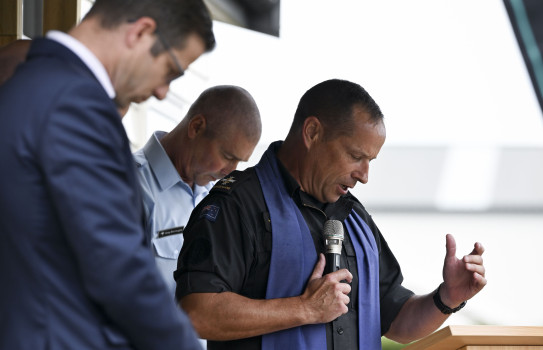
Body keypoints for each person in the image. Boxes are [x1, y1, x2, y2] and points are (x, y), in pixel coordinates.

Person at [175, 79, 487, 350]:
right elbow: (197, 312)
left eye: (370, 161)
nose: (364, 175)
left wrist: (447, 298)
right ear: (312, 132)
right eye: (356, 156)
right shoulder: (238, 205)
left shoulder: (354, 218)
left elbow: (395, 322)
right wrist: (304, 309)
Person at [0, 0, 215, 349]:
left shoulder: (34, 83)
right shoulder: (74, 106)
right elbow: (120, 271)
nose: (163, 92)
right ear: (141, 32)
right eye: (171, 71)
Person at [134, 84, 262, 295]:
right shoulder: (127, 185)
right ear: (196, 127)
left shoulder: (220, 198)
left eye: (239, 162)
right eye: (228, 157)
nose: (230, 171)